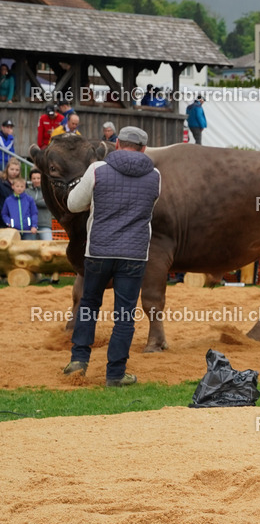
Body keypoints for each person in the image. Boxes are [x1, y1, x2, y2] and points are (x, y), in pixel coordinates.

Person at [62, 126, 161, 387]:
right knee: (125, 314)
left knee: (89, 305)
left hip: (99, 251)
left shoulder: (96, 170)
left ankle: (78, 362)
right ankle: (115, 374)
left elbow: (73, 204)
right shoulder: (155, 175)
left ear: (117, 144)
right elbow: (149, 205)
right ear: (143, 149)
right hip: (135, 254)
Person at [2, 175, 38, 239]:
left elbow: (34, 213)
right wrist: (9, 222)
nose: (19, 188)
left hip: (28, 231)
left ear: (25, 188)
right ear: (12, 187)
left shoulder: (29, 199)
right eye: (17, 186)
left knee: (29, 248)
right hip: (14, 231)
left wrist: (34, 226)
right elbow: (4, 214)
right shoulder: (8, 200)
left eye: (22, 186)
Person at [26, 168, 52, 241]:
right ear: (31, 179)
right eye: (34, 178)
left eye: (38, 178)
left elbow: (48, 203)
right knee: (30, 249)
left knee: (48, 246)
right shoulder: (27, 191)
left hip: (45, 224)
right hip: (30, 226)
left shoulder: (48, 191)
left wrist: (32, 202)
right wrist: (41, 201)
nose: (36, 180)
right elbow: (26, 205)